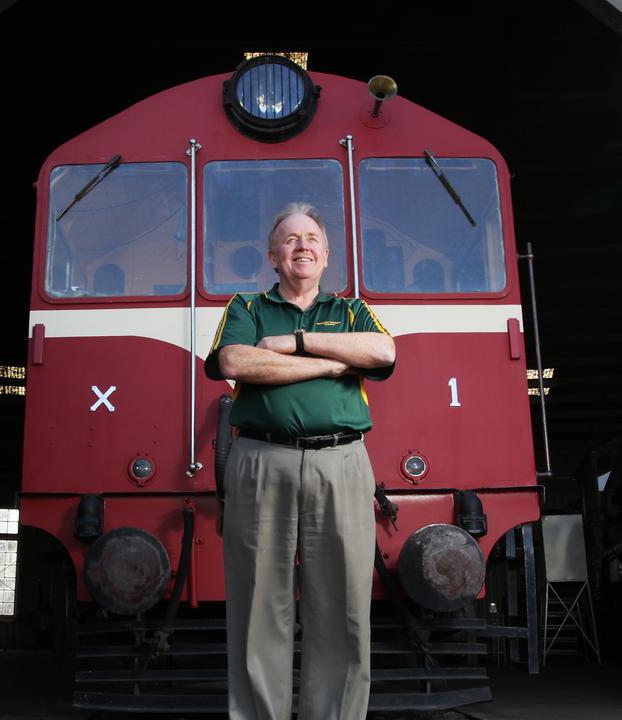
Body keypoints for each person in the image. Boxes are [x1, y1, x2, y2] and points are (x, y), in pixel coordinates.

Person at [205, 202, 396, 720]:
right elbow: (235, 361)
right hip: (261, 459)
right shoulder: (245, 307)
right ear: (273, 257)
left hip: (342, 462)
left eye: (311, 237)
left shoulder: (354, 309)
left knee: (344, 606)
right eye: (290, 240)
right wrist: (335, 363)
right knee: (257, 605)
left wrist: (296, 345)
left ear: (326, 254)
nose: (302, 246)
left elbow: (383, 353)